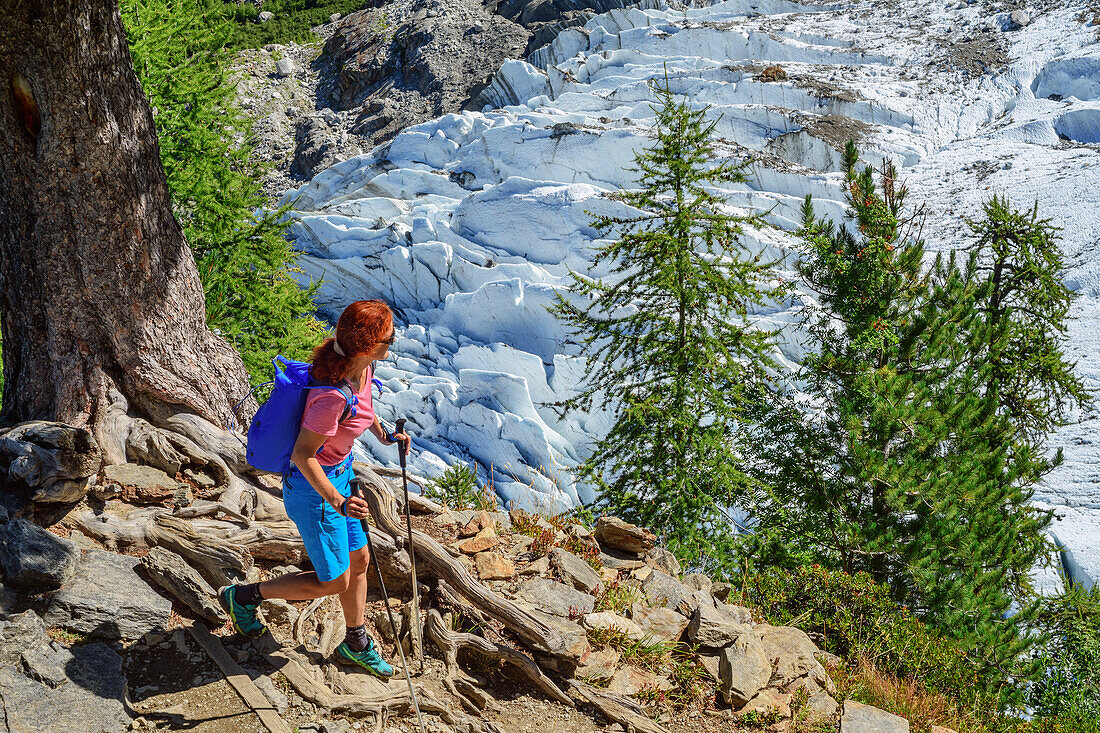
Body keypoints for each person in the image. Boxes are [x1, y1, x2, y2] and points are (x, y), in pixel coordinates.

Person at [219, 299, 408, 680]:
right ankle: (242, 597)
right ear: (368, 345)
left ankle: (355, 643)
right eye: (389, 338)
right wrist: (338, 501)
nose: (392, 343)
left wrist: (385, 435)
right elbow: (305, 456)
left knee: (360, 561)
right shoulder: (329, 396)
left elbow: (362, 409)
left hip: (342, 478)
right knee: (333, 580)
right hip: (316, 492)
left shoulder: (362, 368)